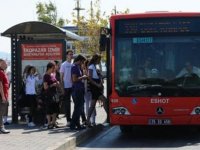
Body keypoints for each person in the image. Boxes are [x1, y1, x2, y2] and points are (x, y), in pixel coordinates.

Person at [86, 54, 108, 127]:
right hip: (94, 88)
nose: (100, 61)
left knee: (93, 105)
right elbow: (90, 78)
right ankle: (109, 116)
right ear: (96, 59)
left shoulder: (95, 66)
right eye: (99, 59)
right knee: (104, 100)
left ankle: (87, 120)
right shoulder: (91, 67)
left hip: (96, 87)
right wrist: (97, 84)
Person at [70, 55, 87, 130]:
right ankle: (73, 125)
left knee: (79, 108)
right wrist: (83, 77)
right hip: (77, 90)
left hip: (79, 89)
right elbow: (74, 79)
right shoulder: (74, 67)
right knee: (78, 108)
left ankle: (77, 124)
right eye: (82, 61)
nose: (83, 63)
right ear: (79, 60)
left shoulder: (78, 67)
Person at [43, 62, 60, 129]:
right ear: (49, 68)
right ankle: (49, 123)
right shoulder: (46, 75)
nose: (54, 69)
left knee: (55, 109)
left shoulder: (52, 75)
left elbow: (56, 81)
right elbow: (45, 87)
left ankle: (53, 123)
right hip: (49, 95)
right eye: (53, 68)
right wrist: (53, 85)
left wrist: (57, 83)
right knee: (49, 109)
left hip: (54, 94)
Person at [60, 50, 73, 126]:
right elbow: (61, 77)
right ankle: (68, 119)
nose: (71, 56)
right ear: (67, 55)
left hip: (73, 86)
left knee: (76, 103)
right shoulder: (64, 64)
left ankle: (75, 119)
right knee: (67, 104)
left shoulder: (73, 64)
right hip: (66, 87)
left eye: (72, 54)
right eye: (70, 54)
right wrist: (62, 87)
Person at [0, 59, 10, 133]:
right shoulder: (0, 72)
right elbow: (0, 85)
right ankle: (2, 127)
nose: (6, 64)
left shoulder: (3, 72)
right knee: (1, 112)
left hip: (3, 95)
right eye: (4, 63)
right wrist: (3, 96)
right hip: (1, 96)